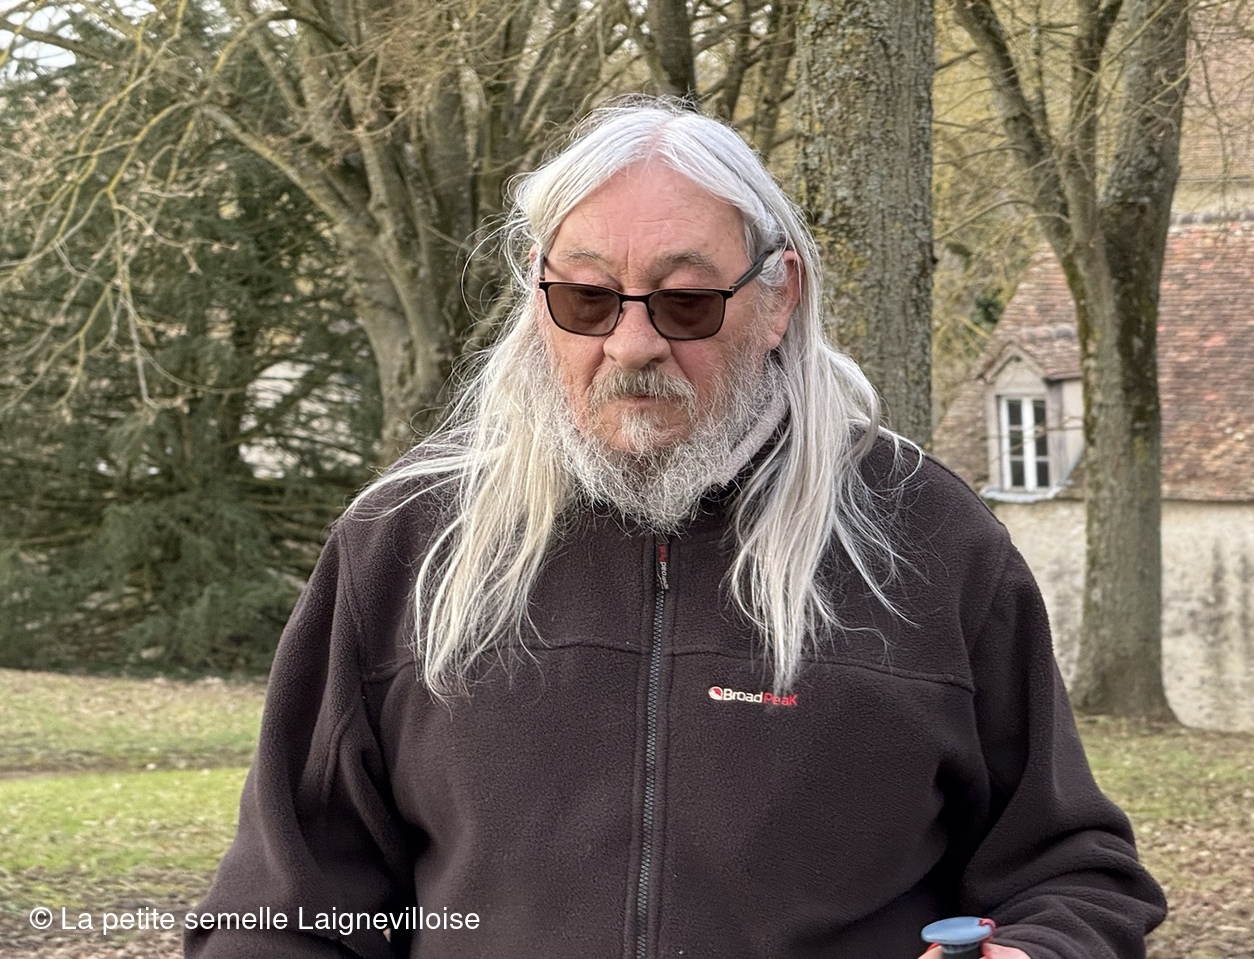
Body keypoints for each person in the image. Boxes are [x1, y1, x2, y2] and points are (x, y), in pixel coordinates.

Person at [186, 100, 1165, 959]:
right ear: (536, 292)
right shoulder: (407, 545)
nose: (632, 343)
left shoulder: (927, 542)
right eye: (585, 298)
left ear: (777, 298)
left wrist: (1035, 948)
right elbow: (285, 909)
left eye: (686, 301)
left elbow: (1069, 873)